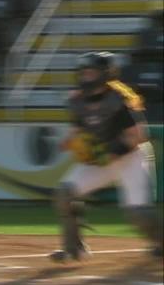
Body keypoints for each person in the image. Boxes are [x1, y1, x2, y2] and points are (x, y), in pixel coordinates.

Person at [50, 51, 163, 262]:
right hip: (101, 159)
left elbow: (138, 135)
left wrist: (113, 153)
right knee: (65, 193)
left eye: (91, 72)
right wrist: (68, 142)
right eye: (83, 72)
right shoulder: (77, 101)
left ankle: (160, 242)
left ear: (105, 74)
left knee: (139, 214)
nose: (85, 77)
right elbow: (78, 130)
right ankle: (74, 248)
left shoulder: (119, 100)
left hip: (131, 158)